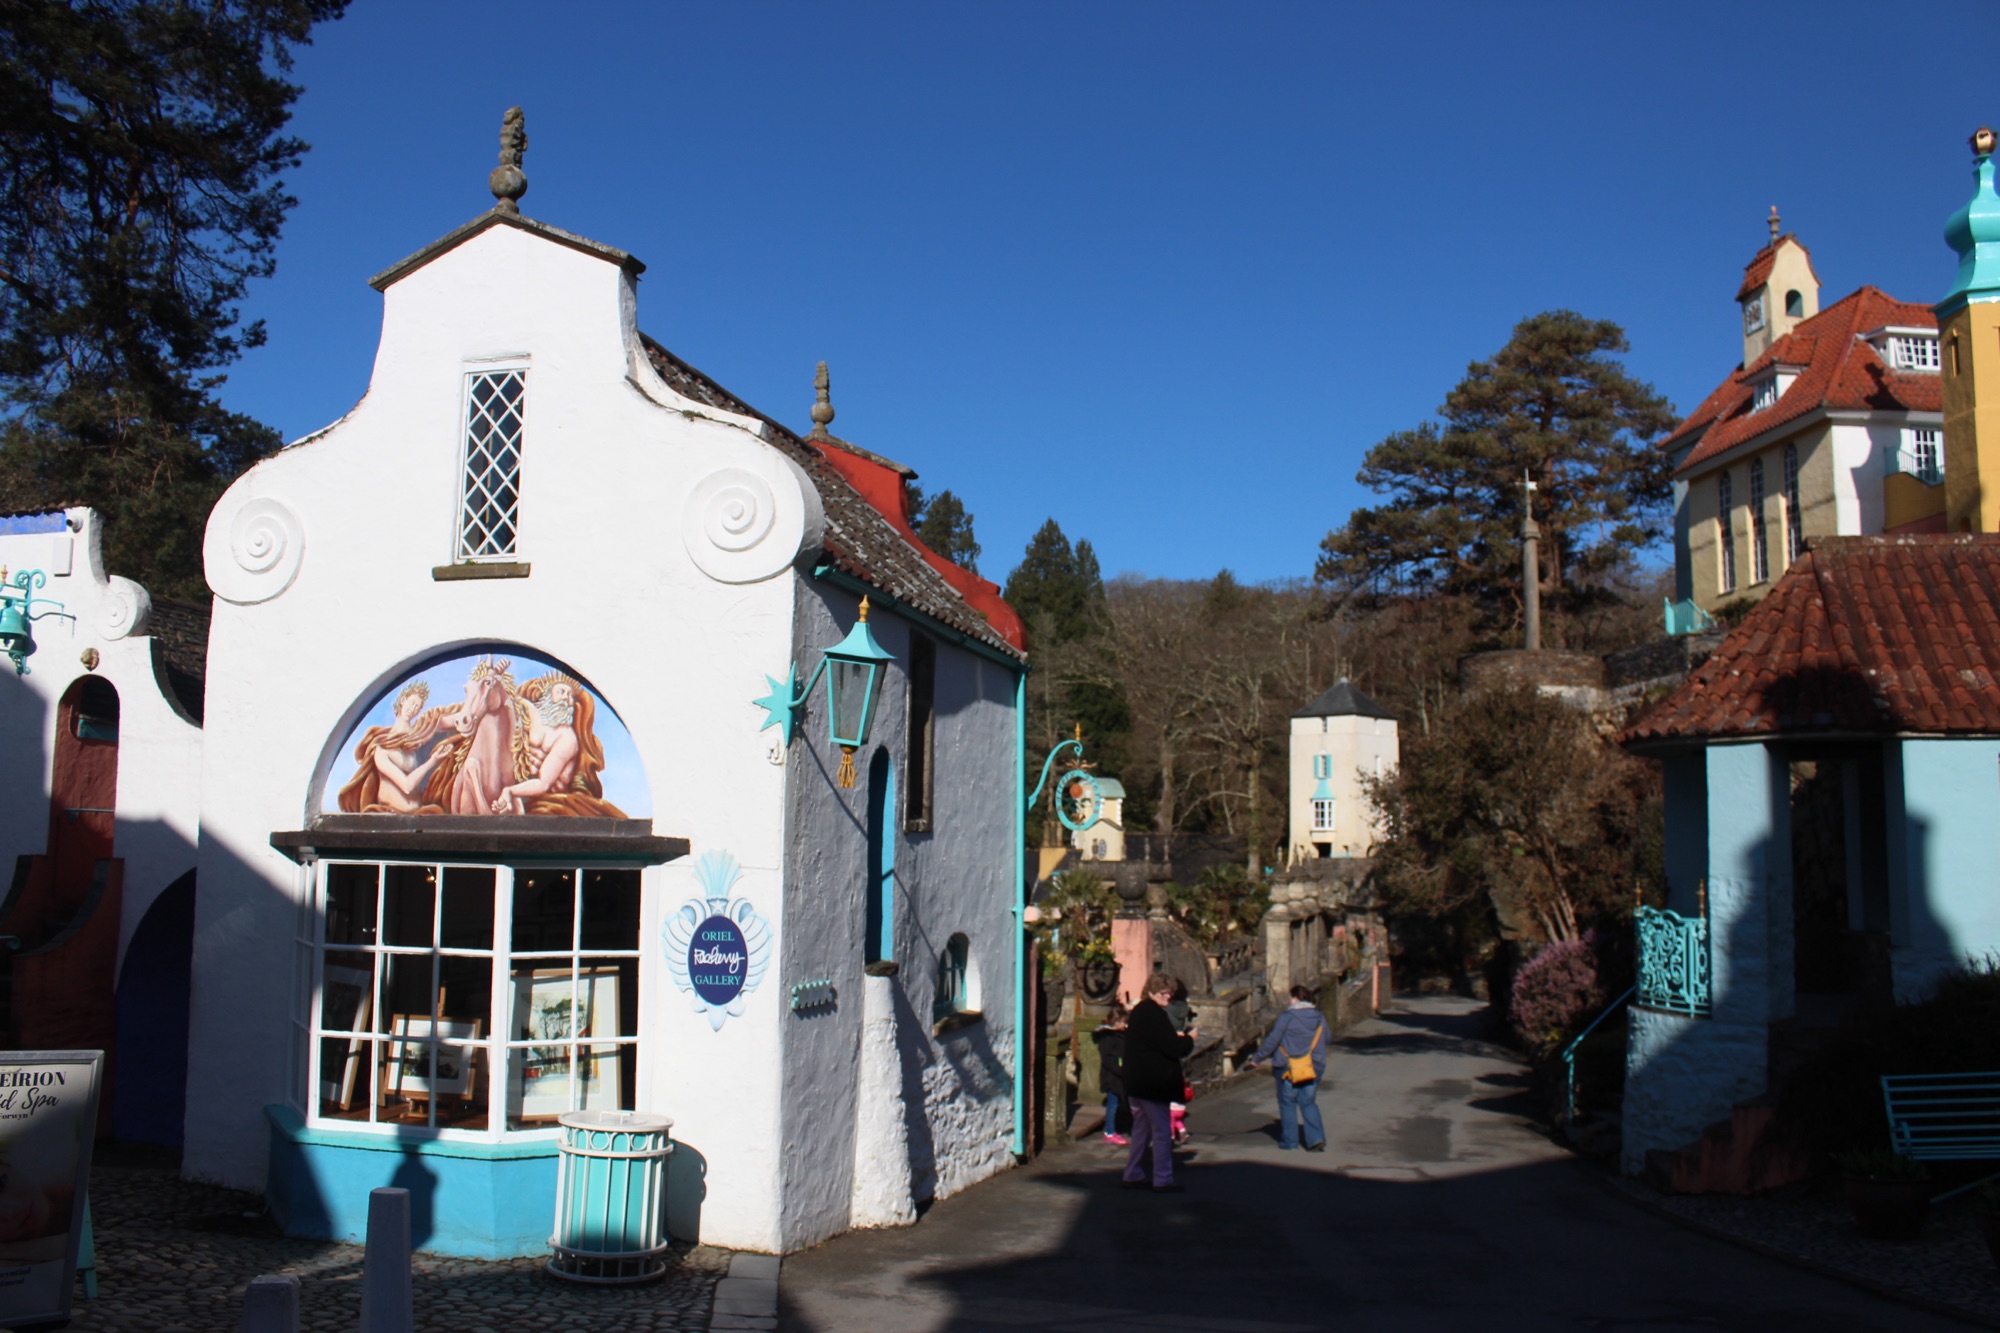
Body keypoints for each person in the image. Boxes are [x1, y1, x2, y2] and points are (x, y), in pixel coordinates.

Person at [1121, 973, 1195, 1191]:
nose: (1168, 997)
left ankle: (1133, 1172)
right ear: (1152, 991)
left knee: (1141, 1131)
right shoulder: (1154, 1015)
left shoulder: (1139, 1012)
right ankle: (1163, 1178)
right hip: (1153, 1084)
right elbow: (1173, 1047)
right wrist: (1190, 1039)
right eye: (1164, 993)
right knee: (1162, 1132)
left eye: (1169, 993)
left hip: (1136, 1082)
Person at [1246, 985, 1330, 1152]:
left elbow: (1272, 1040)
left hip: (1287, 1067)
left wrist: (1257, 1059)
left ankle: (1290, 1142)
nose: (1288, 1001)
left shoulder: (1288, 1017)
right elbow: (1327, 1038)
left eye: (1290, 998)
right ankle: (1316, 1139)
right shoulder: (1319, 1017)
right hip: (1312, 1067)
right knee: (1308, 1103)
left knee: (1288, 1103)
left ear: (1295, 999)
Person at [1091, 1003, 1131, 1145]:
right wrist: (1121, 1070)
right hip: (1112, 1077)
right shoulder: (1108, 1037)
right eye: (1122, 1022)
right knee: (1113, 1103)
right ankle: (1109, 1131)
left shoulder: (1121, 1035)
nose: (1124, 1026)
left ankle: (1114, 1128)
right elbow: (1108, 1059)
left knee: (1118, 1102)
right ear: (1115, 1021)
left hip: (1119, 1076)